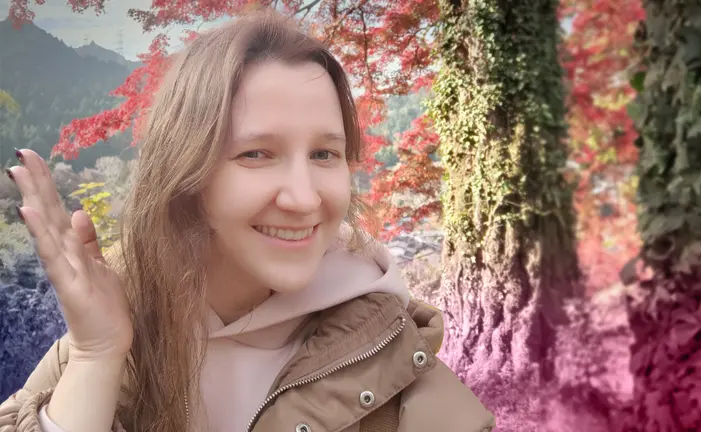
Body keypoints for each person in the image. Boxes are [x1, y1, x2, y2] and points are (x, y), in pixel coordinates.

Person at [0, 9, 495, 432]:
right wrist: (97, 358)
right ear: (187, 172)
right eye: (258, 153)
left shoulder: (394, 362)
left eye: (325, 153)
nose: (304, 198)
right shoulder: (115, 325)